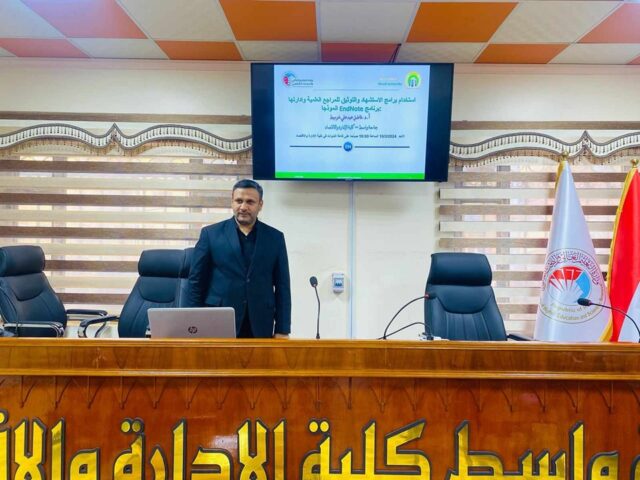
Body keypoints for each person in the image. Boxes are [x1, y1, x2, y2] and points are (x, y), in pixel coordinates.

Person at [186, 179, 291, 338]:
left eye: (250, 202)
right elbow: (196, 281)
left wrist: (282, 329)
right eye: (239, 201)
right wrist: (193, 324)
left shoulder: (275, 238)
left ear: (260, 205)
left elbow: (283, 286)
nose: (243, 207)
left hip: (260, 322)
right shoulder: (210, 234)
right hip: (218, 319)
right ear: (232, 202)